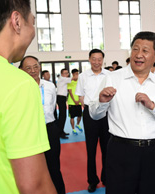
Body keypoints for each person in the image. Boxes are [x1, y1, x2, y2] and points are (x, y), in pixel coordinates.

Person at [89, 31, 155, 194]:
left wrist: (152, 106)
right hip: (121, 151)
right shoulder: (113, 78)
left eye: (145, 50)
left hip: (152, 152)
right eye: (135, 49)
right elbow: (95, 114)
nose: (139, 55)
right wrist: (102, 101)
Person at [0, 0, 56, 193]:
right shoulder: (18, 84)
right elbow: (34, 186)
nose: (33, 31)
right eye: (32, 22)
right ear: (17, 21)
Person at [19, 56, 66, 194]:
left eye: (35, 66)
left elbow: (52, 107)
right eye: (28, 68)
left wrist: (56, 128)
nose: (33, 70)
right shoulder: (20, 87)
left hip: (50, 129)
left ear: (39, 67)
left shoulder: (50, 86)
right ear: (21, 69)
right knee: (33, 168)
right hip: (30, 131)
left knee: (54, 166)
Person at [75, 49, 110, 193]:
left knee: (107, 149)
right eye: (94, 59)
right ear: (89, 59)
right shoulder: (83, 76)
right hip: (90, 113)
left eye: (99, 59)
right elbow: (80, 96)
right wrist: (90, 108)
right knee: (91, 149)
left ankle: (107, 177)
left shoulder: (109, 75)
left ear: (103, 60)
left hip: (107, 113)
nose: (97, 62)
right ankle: (92, 180)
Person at [56, 68, 72, 139]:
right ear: (62, 74)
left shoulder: (62, 79)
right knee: (62, 116)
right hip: (61, 98)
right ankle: (59, 133)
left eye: (67, 73)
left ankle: (61, 131)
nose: (67, 74)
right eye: (65, 73)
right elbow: (74, 78)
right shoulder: (63, 79)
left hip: (62, 98)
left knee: (63, 116)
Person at [67, 69, 83, 135]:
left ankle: (77, 124)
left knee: (80, 116)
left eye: (78, 73)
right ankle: (73, 129)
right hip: (71, 102)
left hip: (79, 102)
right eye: (76, 74)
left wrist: (79, 100)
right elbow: (70, 92)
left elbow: (82, 91)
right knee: (72, 117)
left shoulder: (80, 82)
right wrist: (74, 101)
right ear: (73, 74)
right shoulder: (69, 82)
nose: (77, 75)